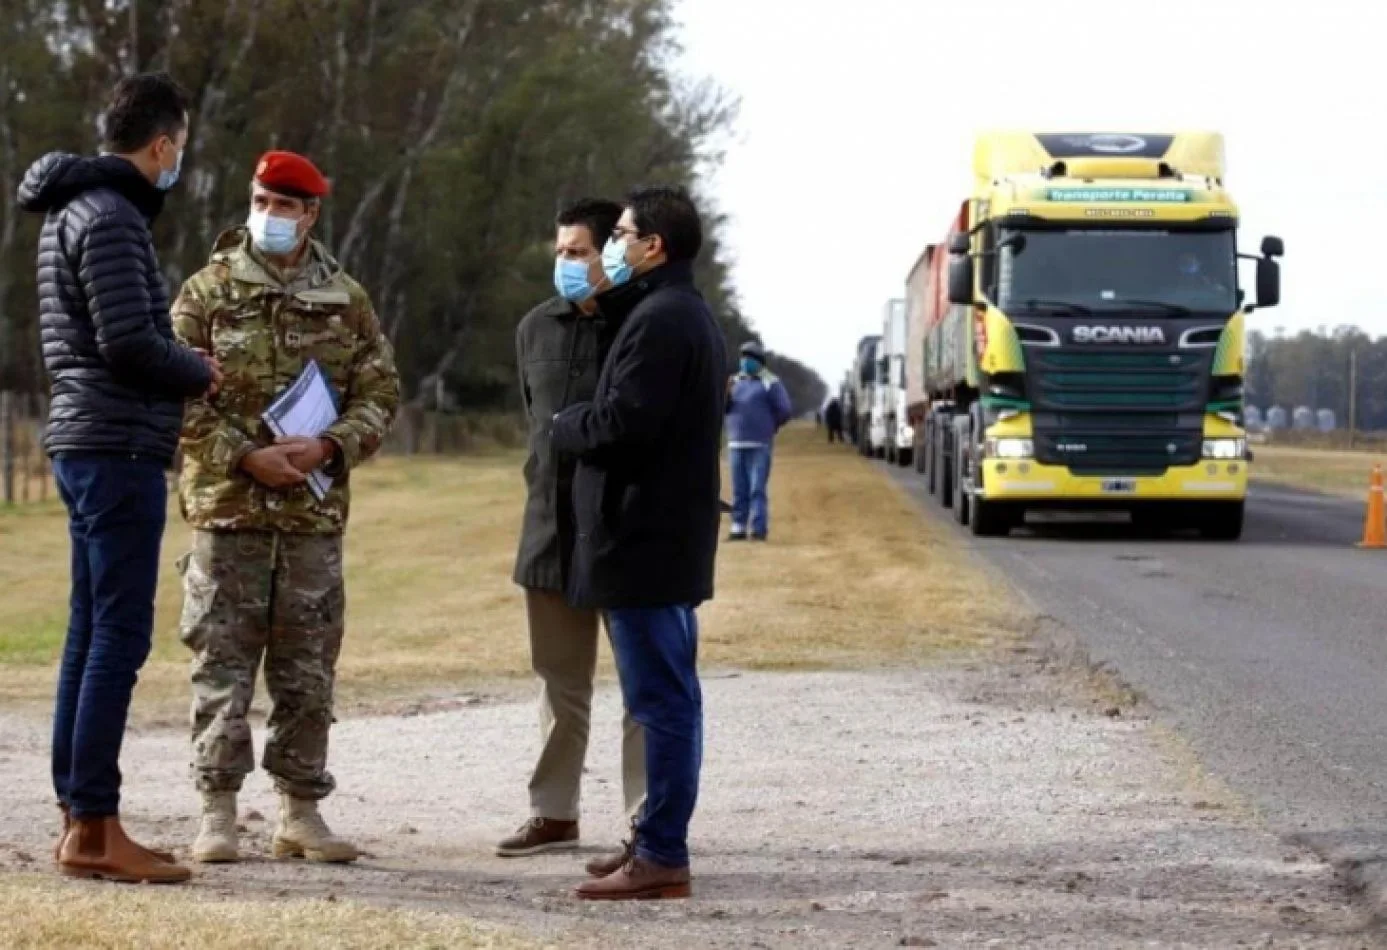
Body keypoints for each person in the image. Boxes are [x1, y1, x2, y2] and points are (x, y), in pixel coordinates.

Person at [170, 150, 400, 864]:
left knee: (307, 671)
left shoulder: (346, 299)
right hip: (228, 512)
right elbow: (169, 388)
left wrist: (330, 446)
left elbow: (381, 392)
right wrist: (244, 454)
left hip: (309, 516)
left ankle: (300, 812)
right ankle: (217, 812)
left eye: (285, 205)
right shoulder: (205, 293)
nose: (270, 214)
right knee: (221, 666)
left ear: (310, 215)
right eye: (262, 200)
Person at [17, 72, 218, 885]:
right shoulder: (110, 218)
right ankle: (95, 825)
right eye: (182, 147)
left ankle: (79, 812)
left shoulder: (77, 208)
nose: (180, 162)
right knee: (117, 637)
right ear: (163, 145)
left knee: (88, 631)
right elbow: (129, 341)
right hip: (115, 444)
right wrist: (197, 369)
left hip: (86, 441)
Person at [551, 185, 726, 901]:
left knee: (662, 704)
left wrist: (566, 424)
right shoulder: (678, 311)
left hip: (644, 541)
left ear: (652, 245)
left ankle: (661, 854)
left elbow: (626, 422)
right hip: (661, 539)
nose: (614, 246)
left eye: (621, 235)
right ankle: (652, 837)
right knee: (668, 698)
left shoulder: (662, 318)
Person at [498, 198, 646, 866]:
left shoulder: (641, 326)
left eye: (579, 251)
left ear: (609, 254)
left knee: (641, 683)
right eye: (559, 251)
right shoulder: (534, 329)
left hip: (617, 531)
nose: (566, 262)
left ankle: (646, 820)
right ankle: (552, 813)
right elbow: (536, 426)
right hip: (547, 530)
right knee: (559, 683)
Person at [724, 340, 792, 542]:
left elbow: (785, 410)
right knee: (739, 488)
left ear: (759, 361)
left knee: (756, 488)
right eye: (743, 357)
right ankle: (738, 527)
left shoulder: (770, 382)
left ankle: (759, 528)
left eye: (750, 358)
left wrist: (770, 426)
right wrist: (725, 393)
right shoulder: (734, 382)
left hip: (760, 444)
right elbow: (724, 408)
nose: (745, 361)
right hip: (736, 442)